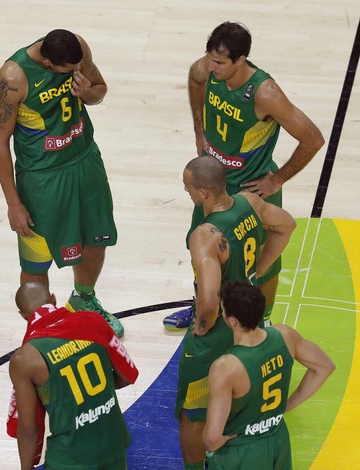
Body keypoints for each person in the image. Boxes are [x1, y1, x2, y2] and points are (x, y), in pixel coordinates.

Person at [164, 21, 324, 330]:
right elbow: (195, 78)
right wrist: (199, 128)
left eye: (220, 62)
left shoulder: (265, 93)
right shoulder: (208, 69)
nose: (212, 67)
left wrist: (277, 180)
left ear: (241, 60)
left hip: (251, 188)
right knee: (201, 251)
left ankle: (261, 322)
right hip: (213, 183)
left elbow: (313, 139)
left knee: (262, 264)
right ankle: (203, 309)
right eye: (210, 58)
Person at [0, 29, 124, 337]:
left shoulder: (78, 48)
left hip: (84, 161)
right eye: (69, 71)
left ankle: (84, 299)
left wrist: (87, 92)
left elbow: (100, 91)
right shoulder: (13, 77)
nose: (76, 72)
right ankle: (43, 330)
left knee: (96, 240)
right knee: (37, 261)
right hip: (42, 179)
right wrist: (14, 204)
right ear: (48, 63)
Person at [175, 156, 297, 470]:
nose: (186, 191)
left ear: (203, 193)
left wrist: (202, 327)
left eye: (188, 187)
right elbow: (286, 225)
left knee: (191, 412)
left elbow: (209, 302)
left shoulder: (205, 236)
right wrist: (254, 272)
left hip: (219, 329)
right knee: (235, 390)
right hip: (246, 321)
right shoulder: (250, 202)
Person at [203, 281, 335, 469]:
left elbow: (212, 439)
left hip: (242, 450)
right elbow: (324, 366)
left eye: (223, 310)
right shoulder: (285, 335)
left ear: (232, 321)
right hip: (277, 438)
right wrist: (286, 407)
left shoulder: (226, 367)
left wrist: (212, 442)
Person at [8, 282, 139, 469]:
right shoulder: (94, 321)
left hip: (68, 457)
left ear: (22, 315)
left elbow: (29, 429)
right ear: (53, 299)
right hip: (113, 443)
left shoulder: (24, 359)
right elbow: (126, 376)